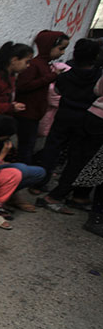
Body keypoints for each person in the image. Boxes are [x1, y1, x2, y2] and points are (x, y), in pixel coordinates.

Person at [38, 39, 103, 213]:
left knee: (53, 147)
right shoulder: (96, 75)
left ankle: (40, 182)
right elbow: (96, 92)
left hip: (66, 114)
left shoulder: (67, 74)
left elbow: (59, 90)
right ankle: (65, 193)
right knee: (77, 157)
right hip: (86, 119)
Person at [14, 30, 70, 163]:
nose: (62, 53)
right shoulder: (34, 64)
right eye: (60, 48)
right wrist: (51, 76)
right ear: (48, 46)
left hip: (34, 114)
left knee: (28, 147)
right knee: (26, 149)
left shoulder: (46, 65)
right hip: (25, 113)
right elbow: (23, 86)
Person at [0, 42, 34, 117]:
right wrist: (9, 107)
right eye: (27, 62)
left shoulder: (11, 78)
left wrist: (12, 105)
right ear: (14, 60)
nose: (28, 65)